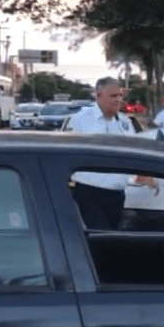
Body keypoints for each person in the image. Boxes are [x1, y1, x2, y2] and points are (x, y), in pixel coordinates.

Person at [69, 77, 141, 230]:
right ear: (99, 95)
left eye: (120, 96)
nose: (119, 100)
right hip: (89, 193)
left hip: (117, 194)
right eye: (113, 96)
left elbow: (134, 152)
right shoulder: (81, 120)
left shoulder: (124, 123)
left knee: (111, 237)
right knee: (99, 234)